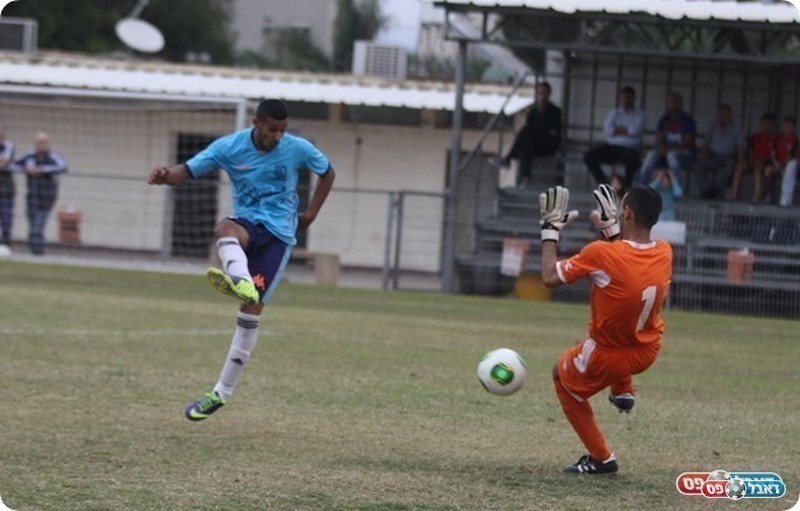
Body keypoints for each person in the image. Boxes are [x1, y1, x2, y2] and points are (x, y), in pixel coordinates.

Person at [148, 99, 335, 421]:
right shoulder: (230, 147)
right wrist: (166, 175)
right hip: (247, 223)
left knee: (250, 313)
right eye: (271, 129)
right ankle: (242, 281)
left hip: (279, 236)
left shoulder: (296, 148)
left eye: (282, 130)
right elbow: (187, 171)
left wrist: (312, 214)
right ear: (256, 122)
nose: (277, 136)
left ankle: (221, 393)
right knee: (224, 229)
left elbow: (327, 172)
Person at [538, 184, 672, 474]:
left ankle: (601, 458)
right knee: (623, 325)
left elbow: (549, 277)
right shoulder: (664, 252)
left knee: (561, 379)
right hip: (647, 351)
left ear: (627, 212)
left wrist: (550, 230)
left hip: (610, 355)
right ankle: (623, 390)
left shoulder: (601, 254)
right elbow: (627, 263)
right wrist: (613, 228)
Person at [12, 132, 68, 255]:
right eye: (39, 142)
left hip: (47, 198)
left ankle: (38, 253)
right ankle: (34, 252)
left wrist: (42, 170)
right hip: (32, 196)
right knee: (32, 228)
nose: (42, 145)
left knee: (38, 227)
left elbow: (63, 166)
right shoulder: (29, 155)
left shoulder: (53, 156)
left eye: (44, 142)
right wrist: (25, 169)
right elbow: (13, 165)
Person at [499, 82, 562, 189]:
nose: (542, 95)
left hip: (548, 145)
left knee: (525, 134)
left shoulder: (555, 111)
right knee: (526, 143)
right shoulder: (533, 112)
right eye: (540, 92)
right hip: (534, 144)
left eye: (544, 93)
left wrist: (541, 126)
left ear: (548, 94)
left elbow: (553, 132)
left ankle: (509, 158)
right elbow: (532, 130)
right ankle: (525, 177)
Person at [583, 86, 645, 188]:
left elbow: (635, 130)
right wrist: (625, 131)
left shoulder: (640, 114)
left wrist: (617, 130)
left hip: (630, 148)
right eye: (624, 97)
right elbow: (607, 131)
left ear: (633, 98)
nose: (626, 100)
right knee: (588, 156)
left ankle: (627, 186)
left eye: (628, 97)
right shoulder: (614, 112)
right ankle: (603, 183)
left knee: (633, 160)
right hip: (611, 147)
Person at [637, 92, 696, 187]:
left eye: (676, 102)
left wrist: (668, 149)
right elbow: (659, 139)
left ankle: (678, 189)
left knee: (671, 156)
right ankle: (640, 186)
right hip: (665, 153)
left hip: (685, 154)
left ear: (681, 104)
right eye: (671, 102)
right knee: (651, 154)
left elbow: (688, 142)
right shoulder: (664, 119)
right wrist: (662, 148)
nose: (674, 104)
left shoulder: (687, 120)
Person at [695, 104, 745, 199]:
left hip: (729, 156)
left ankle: (717, 190)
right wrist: (701, 156)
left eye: (724, 114)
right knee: (698, 166)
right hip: (713, 155)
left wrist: (741, 159)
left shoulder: (736, 127)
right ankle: (707, 189)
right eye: (719, 114)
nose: (721, 117)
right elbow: (705, 143)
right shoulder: (713, 125)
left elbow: (740, 146)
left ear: (730, 116)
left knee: (730, 166)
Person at [731, 113, 777, 203]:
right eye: (765, 123)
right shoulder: (755, 136)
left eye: (769, 124)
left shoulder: (776, 138)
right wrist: (749, 160)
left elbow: (775, 153)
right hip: (754, 160)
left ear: (773, 125)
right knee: (739, 167)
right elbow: (750, 150)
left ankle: (758, 195)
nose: (767, 126)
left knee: (760, 167)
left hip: (767, 161)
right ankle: (734, 195)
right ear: (761, 124)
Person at [764, 116, 798, 204]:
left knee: (791, 166)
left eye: (790, 126)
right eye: (785, 125)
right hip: (777, 164)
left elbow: (791, 156)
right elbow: (772, 153)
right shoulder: (777, 139)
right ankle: (767, 195)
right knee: (767, 171)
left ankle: (785, 200)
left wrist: (781, 166)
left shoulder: (796, 140)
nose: (787, 128)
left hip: (790, 166)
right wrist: (776, 164)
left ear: (794, 128)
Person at [0, 125, 15, 246]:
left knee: (5, 218)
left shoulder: (8, 146)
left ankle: (5, 245)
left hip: (5, 190)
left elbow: (3, 162)